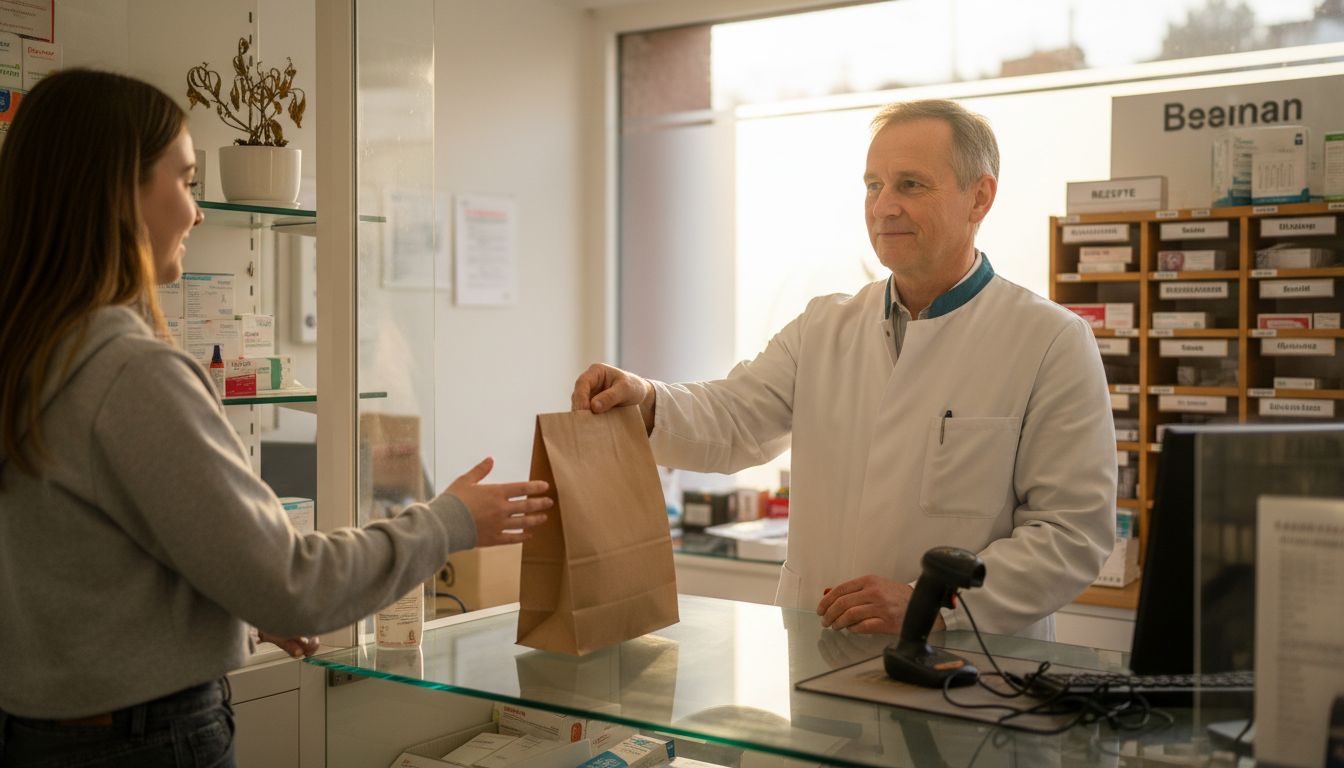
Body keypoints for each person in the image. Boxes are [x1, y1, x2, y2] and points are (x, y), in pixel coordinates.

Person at [0, 69, 550, 766]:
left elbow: (88, 578)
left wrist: (228, 606)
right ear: (119, 193)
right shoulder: (133, 373)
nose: (197, 212)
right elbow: (293, 582)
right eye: (186, 181)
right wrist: (451, 521)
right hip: (141, 742)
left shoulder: (33, 356)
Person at [572, 99, 1115, 641]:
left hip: (965, 673)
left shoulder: (1051, 341)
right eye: (873, 185)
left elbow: (1070, 534)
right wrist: (646, 400)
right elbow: (734, 415)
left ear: (980, 197)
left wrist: (931, 606)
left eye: (910, 185)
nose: (883, 207)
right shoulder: (824, 326)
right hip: (821, 646)